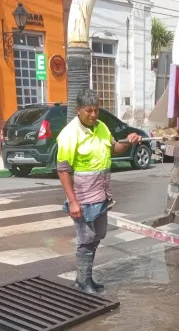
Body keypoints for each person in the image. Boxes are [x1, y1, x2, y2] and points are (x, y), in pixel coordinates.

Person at [56, 89, 142, 294]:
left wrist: (129, 141)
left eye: (96, 110)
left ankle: (85, 277)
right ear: (78, 110)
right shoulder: (70, 134)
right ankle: (82, 282)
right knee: (85, 238)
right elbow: (63, 170)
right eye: (89, 111)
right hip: (83, 197)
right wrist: (73, 202)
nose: (94, 115)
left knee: (97, 235)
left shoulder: (101, 127)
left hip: (101, 194)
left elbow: (114, 148)